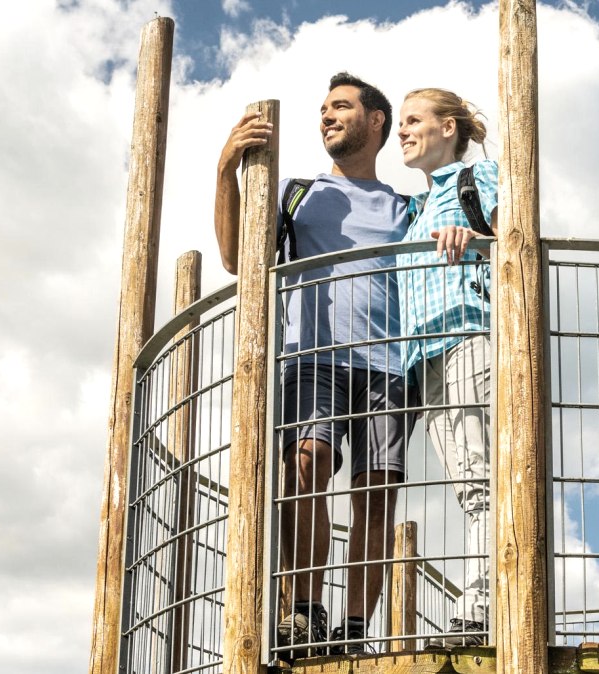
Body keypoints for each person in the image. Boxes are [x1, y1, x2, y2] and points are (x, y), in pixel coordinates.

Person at [213, 72, 414, 657]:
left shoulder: (408, 205)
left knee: (376, 495)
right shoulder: (298, 193)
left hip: (389, 367)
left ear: (376, 121)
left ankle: (354, 631)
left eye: (341, 107)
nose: (327, 115)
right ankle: (304, 613)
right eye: (323, 109)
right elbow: (234, 258)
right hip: (313, 357)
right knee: (306, 466)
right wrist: (226, 169)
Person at [393, 87, 497, 648]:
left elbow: (521, 245)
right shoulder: (415, 207)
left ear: (449, 128)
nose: (403, 131)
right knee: (467, 485)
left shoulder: (480, 179)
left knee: (482, 480)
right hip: (425, 357)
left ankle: (481, 608)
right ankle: (482, 601)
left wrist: (476, 239)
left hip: (470, 337)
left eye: (414, 120)